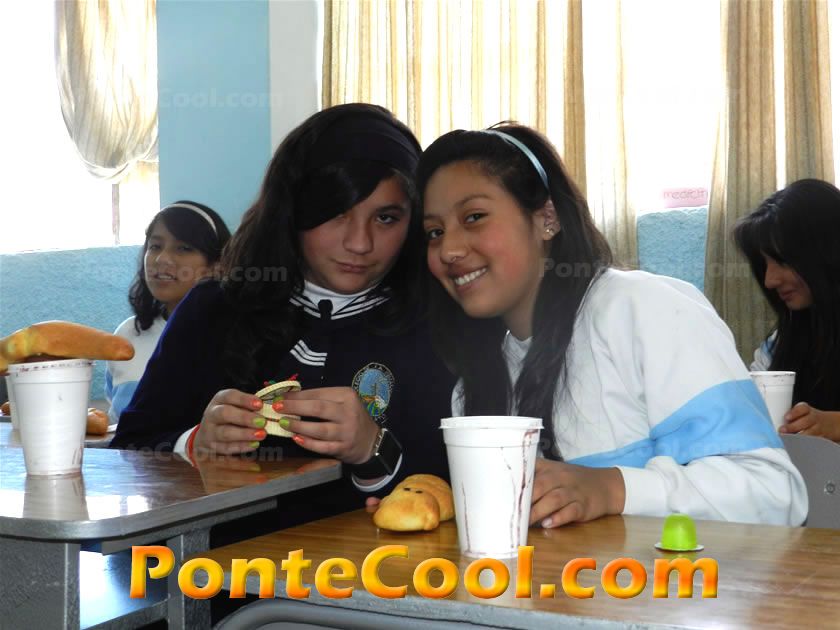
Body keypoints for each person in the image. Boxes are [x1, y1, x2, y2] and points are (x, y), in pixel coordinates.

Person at [416, 123, 807, 528]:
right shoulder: (473, 390)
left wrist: (613, 489)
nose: (449, 249)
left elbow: (775, 495)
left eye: (474, 217)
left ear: (547, 218)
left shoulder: (646, 311)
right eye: (434, 232)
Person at [110, 104, 455, 536]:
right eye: (336, 213)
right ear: (291, 210)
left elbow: (463, 485)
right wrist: (194, 443)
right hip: (221, 574)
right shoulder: (212, 310)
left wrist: (374, 449)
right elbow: (127, 452)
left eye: (386, 218)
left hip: (378, 575)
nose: (360, 243)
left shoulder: (439, 323)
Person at [105, 202, 231, 424]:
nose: (161, 259)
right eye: (155, 246)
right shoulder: (127, 335)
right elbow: (117, 426)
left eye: (183, 248)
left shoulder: (233, 338)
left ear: (217, 265)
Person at [735, 178, 840, 442]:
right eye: (764, 265)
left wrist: (834, 425)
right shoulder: (777, 346)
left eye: (782, 261)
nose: (770, 280)